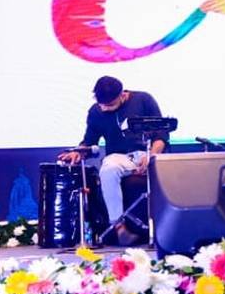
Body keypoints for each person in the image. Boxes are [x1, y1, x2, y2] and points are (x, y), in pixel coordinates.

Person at [59, 76, 165, 245]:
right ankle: (118, 226)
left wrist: (151, 155)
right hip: (120, 157)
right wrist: (78, 152)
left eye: (109, 105)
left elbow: (161, 135)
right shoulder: (96, 112)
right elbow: (89, 141)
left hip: (149, 153)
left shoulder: (144, 99)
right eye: (101, 104)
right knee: (108, 168)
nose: (104, 108)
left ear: (122, 95)